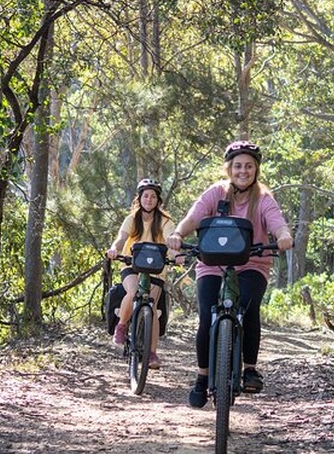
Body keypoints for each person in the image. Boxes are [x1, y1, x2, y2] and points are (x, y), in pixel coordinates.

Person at [166, 140, 293, 408]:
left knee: (248, 309)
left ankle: (249, 368)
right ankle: (202, 378)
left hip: (252, 263)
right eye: (238, 166)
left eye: (249, 166)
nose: (243, 171)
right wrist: (178, 233)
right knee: (205, 317)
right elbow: (194, 217)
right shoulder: (216, 193)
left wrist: (283, 235)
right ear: (229, 168)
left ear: (256, 169)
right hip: (212, 263)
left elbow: (277, 221)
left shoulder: (263, 198)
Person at [106, 178, 180, 369]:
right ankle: (121, 326)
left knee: (153, 309)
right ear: (140, 198)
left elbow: (171, 240)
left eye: (153, 196)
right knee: (132, 293)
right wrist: (114, 249)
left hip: (156, 268)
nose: (149, 199)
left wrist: (177, 255)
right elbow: (121, 238)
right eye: (146, 196)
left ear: (158, 200)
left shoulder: (165, 221)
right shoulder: (132, 218)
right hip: (132, 265)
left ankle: (152, 353)